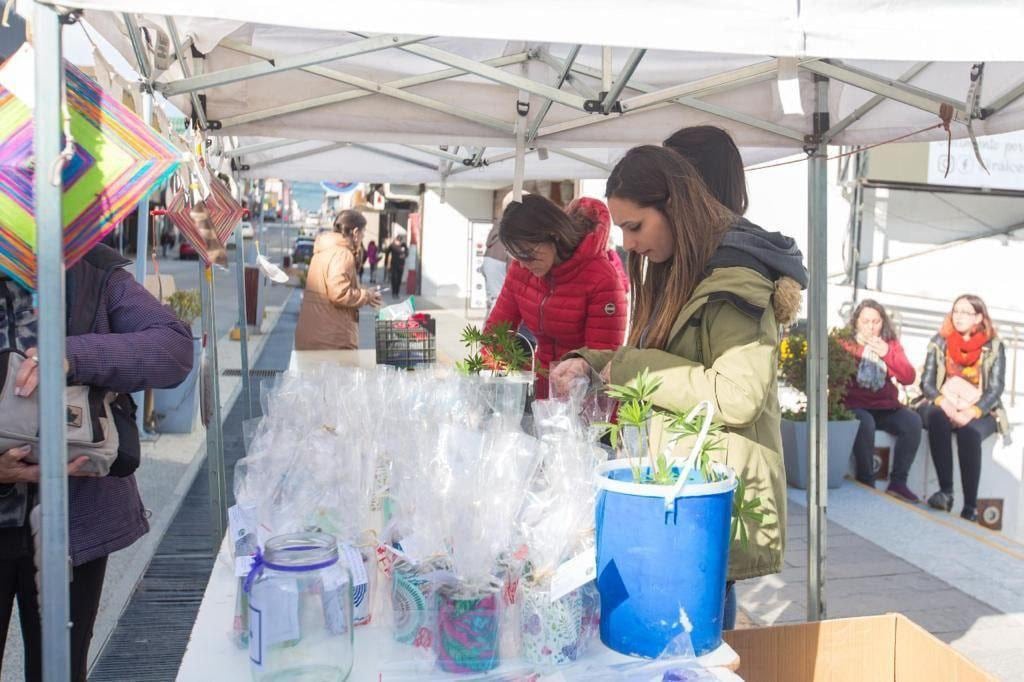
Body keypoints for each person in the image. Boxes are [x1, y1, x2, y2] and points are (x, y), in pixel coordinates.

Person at [550, 145, 807, 630]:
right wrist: (591, 363)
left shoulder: (735, 283)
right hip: (682, 485)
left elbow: (736, 394)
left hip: (714, 496)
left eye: (635, 226)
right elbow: (668, 357)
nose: (627, 243)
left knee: (700, 641)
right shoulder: (682, 272)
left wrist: (632, 368)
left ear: (675, 205)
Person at [0, 244, 194, 682]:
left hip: (74, 522)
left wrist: (71, 356)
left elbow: (174, 348)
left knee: (61, 672)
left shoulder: (90, 269)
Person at [486, 195, 626, 399]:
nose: (524, 263)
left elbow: (603, 356)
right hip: (540, 387)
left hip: (585, 395)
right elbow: (497, 331)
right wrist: (501, 368)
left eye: (528, 253)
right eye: (516, 255)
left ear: (553, 234)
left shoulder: (600, 277)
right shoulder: (521, 271)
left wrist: (576, 376)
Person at [919, 295, 1008, 522]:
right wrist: (945, 403)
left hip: (980, 409)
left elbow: (995, 389)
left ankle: (969, 507)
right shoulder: (940, 341)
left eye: (965, 312)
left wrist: (971, 412)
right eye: (955, 311)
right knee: (937, 417)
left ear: (979, 317)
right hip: (944, 402)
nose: (958, 317)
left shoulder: (994, 346)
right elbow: (927, 383)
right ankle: (945, 492)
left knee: (969, 433)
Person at [840, 300, 922, 502]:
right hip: (856, 405)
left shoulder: (890, 344)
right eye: (866, 321)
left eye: (875, 321)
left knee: (912, 421)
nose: (870, 326)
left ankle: (898, 483)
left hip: (886, 406)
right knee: (863, 423)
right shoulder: (846, 343)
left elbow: (908, 377)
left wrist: (887, 354)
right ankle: (866, 481)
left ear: (882, 323)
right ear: (856, 322)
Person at [294, 210, 383, 350]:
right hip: (332, 340)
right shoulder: (342, 254)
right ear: (355, 233)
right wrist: (366, 295)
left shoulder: (322, 251)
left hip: (312, 333)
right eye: (362, 233)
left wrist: (363, 294)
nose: (362, 238)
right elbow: (339, 293)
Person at [385, 234, 409, 299]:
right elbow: (387, 252)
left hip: (401, 265)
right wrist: (386, 263)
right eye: (398, 241)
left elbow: (407, 253)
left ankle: (397, 293)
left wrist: (404, 255)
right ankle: (394, 293)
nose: (399, 242)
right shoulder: (392, 245)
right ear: (396, 240)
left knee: (399, 280)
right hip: (394, 265)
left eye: (400, 241)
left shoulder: (403, 245)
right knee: (394, 279)